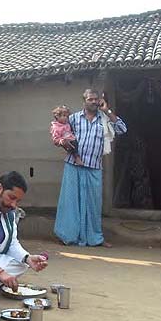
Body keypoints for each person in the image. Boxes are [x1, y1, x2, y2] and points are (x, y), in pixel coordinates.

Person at [54, 89, 127, 247]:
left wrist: (106, 110)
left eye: (96, 99)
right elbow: (59, 134)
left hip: (94, 167)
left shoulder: (104, 119)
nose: (94, 102)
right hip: (73, 164)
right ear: (84, 101)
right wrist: (64, 144)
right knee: (70, 202)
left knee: (93, 204)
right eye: (90, 99)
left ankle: (94, 239)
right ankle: (68, 236)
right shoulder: (73, 119)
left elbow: (122, 129)